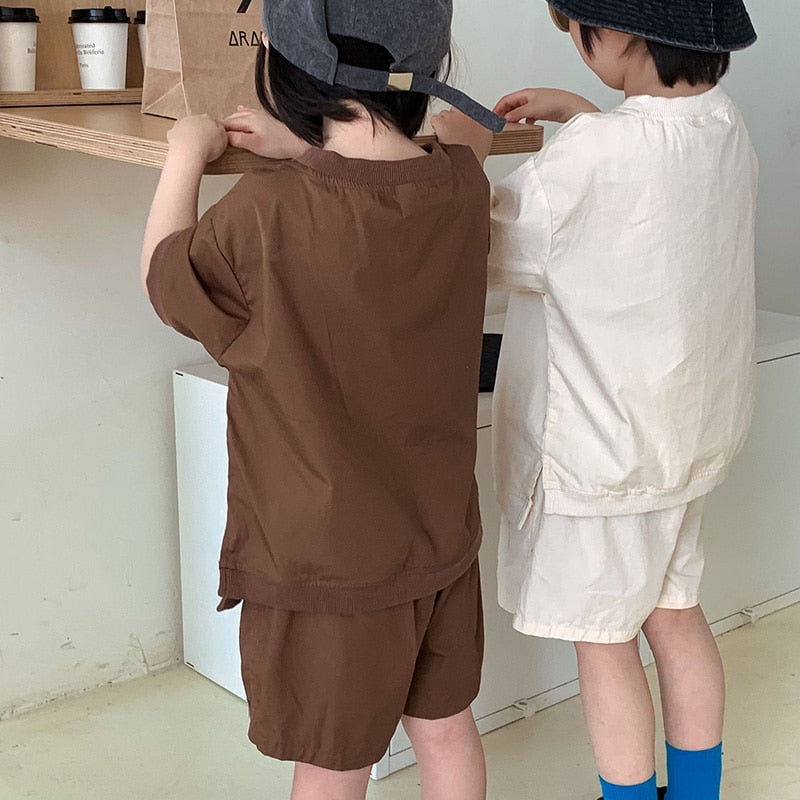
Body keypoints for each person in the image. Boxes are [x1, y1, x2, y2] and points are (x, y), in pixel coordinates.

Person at [140, 1, 507, 798]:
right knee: (446, 727)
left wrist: (185, 153)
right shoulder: (460, 184)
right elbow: (459, 137)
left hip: (326, 565)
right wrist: (312, 142)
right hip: (439, 539)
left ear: (290, 76)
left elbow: (165, 277)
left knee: (333, 761)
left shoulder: (263, 213)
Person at [432, 2, 758, 799]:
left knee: (604, 641)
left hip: (602, 462)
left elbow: (480, 244)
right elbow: (644, 186)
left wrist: (464, 153)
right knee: (675, 616)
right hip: (684, 440)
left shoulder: (591, 159)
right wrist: (585, 115)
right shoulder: (724, 126)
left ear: (617, 36)